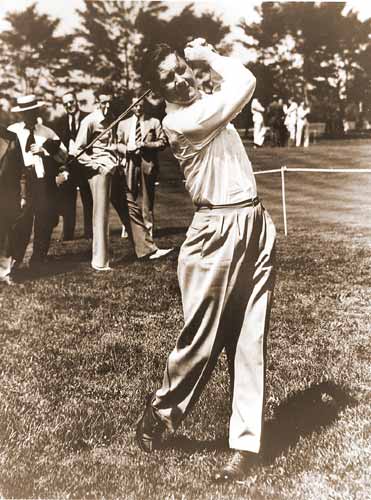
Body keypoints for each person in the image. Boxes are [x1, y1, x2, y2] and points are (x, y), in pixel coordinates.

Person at [136, 39, 276, 483]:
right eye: (170, 77)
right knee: (202, 341)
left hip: (253, 221)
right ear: (158, 90)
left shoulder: (206, 102)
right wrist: (210, 57)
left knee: (251, 341)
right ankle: (161, 413)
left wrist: (207, 65)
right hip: (215, 233)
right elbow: (246, 81)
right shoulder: (183, 120)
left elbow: (233, 87)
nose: (182, 79)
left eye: (182, 69)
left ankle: (244, 446)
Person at [75, 87, 172, 271]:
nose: (107, 105)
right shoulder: (90, 121)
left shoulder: (113, 119)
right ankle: (100, 263)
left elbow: (114, 145)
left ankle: (147, 250)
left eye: (110, 101)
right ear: (97, 102)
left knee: (131, 208)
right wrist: (97, 165)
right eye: (104, 102)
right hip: (100, 172)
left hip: (116, 170)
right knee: (101, 216)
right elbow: (78, 151)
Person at [8, 95, 68, 269]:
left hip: (43, 181)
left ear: (37, 111)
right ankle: (15, 259)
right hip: (22, 180)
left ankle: (38, 259)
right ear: (21, 114)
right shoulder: (13, 132)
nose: (29, 115)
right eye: (25, 112)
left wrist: (45, 151)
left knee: (44, 220)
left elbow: (64, 156)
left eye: (32, 111)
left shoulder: (47, 132)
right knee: (21, 222)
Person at [117, 95, 167, 238]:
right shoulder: (123, 123)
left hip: (147, 162)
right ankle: (128, 228)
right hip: (130, 162)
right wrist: (127, 148)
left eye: (140, 105)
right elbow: (118, 143)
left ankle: (148, 228)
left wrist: (145, 145)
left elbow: (162, 142)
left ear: (144, 106)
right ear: (131, 107)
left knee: (147, 197)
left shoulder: (154, 122)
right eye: (135, 105)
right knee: (129, 196)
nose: (138, 108)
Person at [54, 91, 93, 240]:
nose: (69, 105)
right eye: (66, 104)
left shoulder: (88, 118)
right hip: (69, 166)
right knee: (67, 200)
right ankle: (68, 234)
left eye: (71, 102)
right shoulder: (60, 123)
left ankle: (89, 232)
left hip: (86, 164)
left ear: (76, 101)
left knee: (88, 199)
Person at [0, 126, 24, 285]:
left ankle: (5, 272)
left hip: (8, 194)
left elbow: (21, 170)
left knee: (7, 232)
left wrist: (23, 194)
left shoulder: (12, 137)